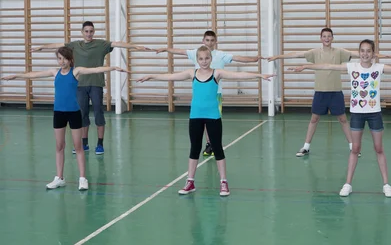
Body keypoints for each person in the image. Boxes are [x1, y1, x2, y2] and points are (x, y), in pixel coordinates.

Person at [289, 39, 391, 197]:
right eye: (362, 51)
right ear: (359, 53)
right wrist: (306, 66)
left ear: (373, 54)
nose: (365, 54)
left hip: (374, 113)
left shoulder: (379, 68)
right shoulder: (352, 67)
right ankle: (347, 184)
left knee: (379, 148)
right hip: (357, 114)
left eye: (368, 51)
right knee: (355, 149)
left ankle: (386, 184)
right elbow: (328, 66)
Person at [137, 45, 273, 196]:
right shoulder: (192, 73)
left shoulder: (217, 73)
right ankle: (190, 181)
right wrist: (151, 76)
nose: (204, 61)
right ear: (197, 59)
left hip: (213, 116)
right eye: (201, 59)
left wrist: (259, 75)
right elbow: (170, 76)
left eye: (207, 58)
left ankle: (223, 182)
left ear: (211, 58)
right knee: (194, 148)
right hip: (195, 116)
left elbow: (238, 75)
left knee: (217, 148)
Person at [1, 47, 128, 191]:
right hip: (58, 113)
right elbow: (34, 75)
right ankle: (59, 178)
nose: (62, 61)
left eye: (64, 59)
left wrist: (113, 68)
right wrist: (16, 76)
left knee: (78, 146)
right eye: (59, 58)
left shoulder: (76, 71)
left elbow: (95, 69)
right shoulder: (54, 73)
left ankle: (82, 178)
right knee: (59, 146)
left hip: (74, 113)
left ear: (70, 59)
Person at [32, 21, 150, 155]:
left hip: (96, 84)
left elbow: (118, 43)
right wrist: (40, 47)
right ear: (82, 32)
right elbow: (58, 45)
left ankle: (100, 144)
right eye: (86, 31)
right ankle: (84, 143)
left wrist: (136, 46)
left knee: (98, 113)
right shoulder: (75, 45)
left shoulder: (101, 44)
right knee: (82, 114)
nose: (89, 34)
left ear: (93, 32)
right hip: (80, 85)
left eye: (91, 31)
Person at [268, 27, 388, 157]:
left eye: (329, 36)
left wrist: (376, 55)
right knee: (314, 119)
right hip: (320, 92)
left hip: (336, 92)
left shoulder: (339, 52)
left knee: (342, 119)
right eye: (324, 36)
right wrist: (278, 56)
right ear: (321, 38)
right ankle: (306, 147)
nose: (326, 38)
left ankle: (353, 147)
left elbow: (357, 53)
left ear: (332, 38)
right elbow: (297, 54)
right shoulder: (315, 52)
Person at [156, 30, 260, 156]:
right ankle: (209, 143)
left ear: (216, 42)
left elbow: (238, 58)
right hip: (200, 93)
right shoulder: (196, 52)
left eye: (212, 40)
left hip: (215, 93)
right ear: (203, 41)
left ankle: (212, 143)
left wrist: (254, 59)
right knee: (201, 121)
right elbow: (180, 51)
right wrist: (165, 49)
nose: (209, 43)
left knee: (213, 120)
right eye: (207, 40)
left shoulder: (220, 54)